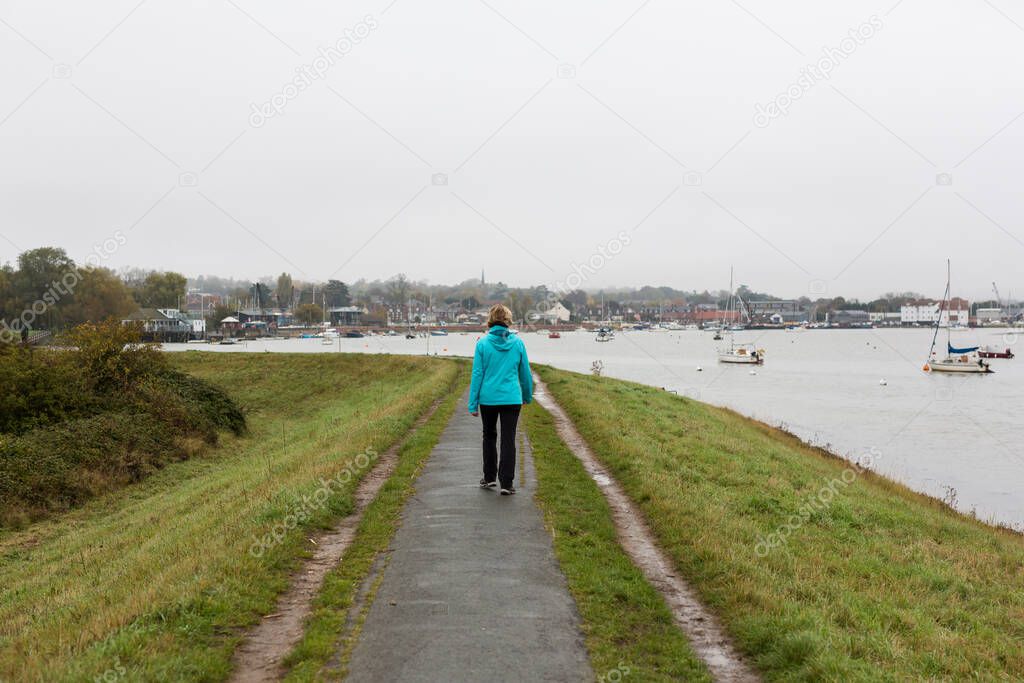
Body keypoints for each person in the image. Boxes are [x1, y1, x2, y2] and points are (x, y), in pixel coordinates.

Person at [468, 304, 533, 495]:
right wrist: (527, 395)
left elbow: (477, 375)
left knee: (489, 436)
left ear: (490, 320)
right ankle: (506, 483)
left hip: (488, 399)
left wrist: (473, 404)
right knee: (508, 438)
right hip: (512, 398)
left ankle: (489, 478)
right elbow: (525, 374)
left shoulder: (482, 344)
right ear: (507, 320)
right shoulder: (518, 343)